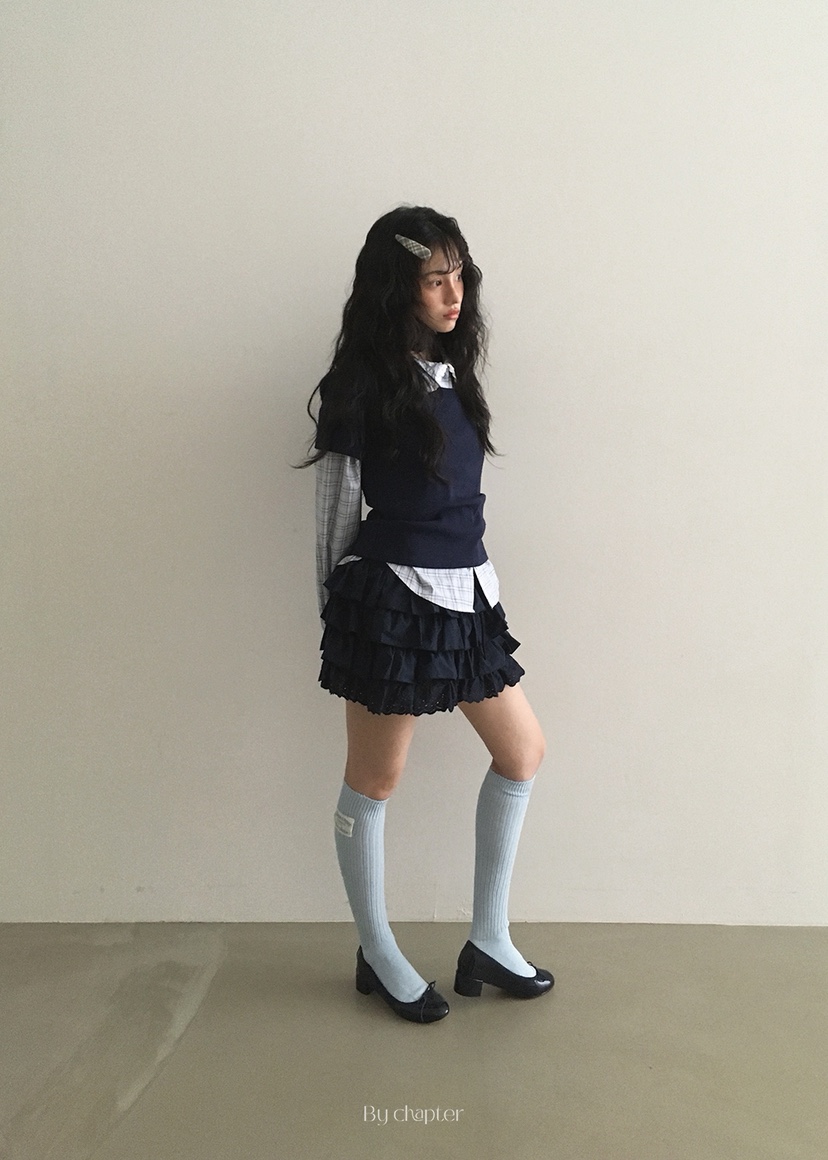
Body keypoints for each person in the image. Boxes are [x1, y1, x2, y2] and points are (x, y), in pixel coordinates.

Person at [302, 206, 553, 1023]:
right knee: (376, 779)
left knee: (522, 752)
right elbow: (335, 509)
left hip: (469, 594)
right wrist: (341, 619)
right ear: (396, 288)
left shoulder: (453, 374)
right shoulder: (359, 386)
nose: (454, 294)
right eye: (435, 279)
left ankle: (489, 939)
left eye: (459, 276)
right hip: (390, 600)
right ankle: (377, 950)